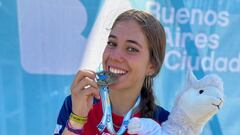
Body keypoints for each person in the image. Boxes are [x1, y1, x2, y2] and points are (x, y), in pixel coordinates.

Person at [54, 9, 169, 135]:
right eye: (112, 43)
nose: (115, 56)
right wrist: (77, 121)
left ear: (152, 66)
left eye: (131, 49)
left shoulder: (164, 124)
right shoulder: (77, 104)